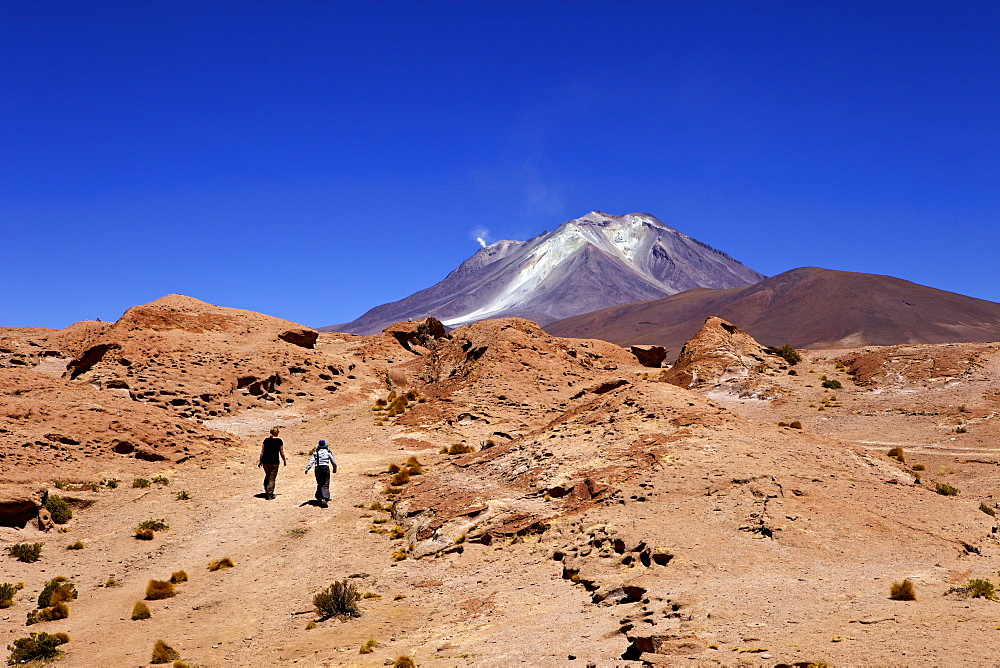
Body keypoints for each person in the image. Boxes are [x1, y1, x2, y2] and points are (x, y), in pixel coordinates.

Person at [304, 440, 337, 508]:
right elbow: (333, 461)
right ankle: (324, 498)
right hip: (325, 467)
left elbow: (311, 461)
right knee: (325, 482)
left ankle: (319, 496)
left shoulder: (316, 452)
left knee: (319, 482)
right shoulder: (327, 452)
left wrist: (307, 469)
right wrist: (334, 469)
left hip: (317, 468)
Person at [257, 427, 287, 499]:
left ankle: (267, 490)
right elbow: (281, 452)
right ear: (276, 433)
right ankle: (270, 494)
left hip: (265, 460)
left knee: (268, 475)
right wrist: (284, 460)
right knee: (272, 477)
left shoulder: (266, 440)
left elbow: (262, 451)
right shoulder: (279, 441)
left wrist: (260, 461)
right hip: (274, 461)